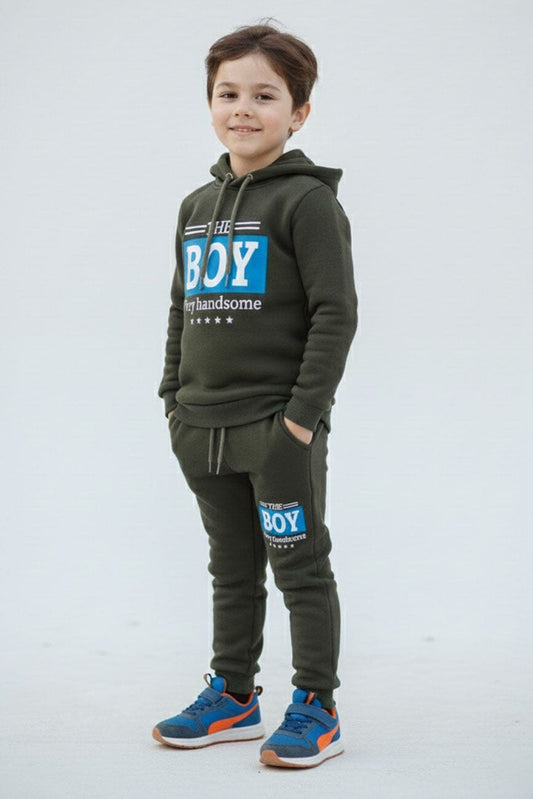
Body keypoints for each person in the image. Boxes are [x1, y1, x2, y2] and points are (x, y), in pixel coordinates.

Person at [152, 23, 358, 769]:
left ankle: (316, 706)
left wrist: (299, 420)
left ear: (298, 112)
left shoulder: (307, 202)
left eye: (264, 95)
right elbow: (181, 307)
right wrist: (172, 399)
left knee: (299, 565)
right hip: (200, 427)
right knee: (231, 568)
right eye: (227, 93)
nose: (243, 108)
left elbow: (336, 314)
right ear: (210, 102)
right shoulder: (195, 205)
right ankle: (234, 694)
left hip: (275, 431)